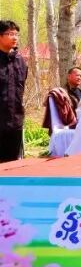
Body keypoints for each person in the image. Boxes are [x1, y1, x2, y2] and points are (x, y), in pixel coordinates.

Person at [0, 20, 28, 162]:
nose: (15, 37)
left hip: (15, 121)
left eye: (16, 34)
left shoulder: (20, 61)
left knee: (12, 163)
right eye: (10, 34)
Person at [42, 67, 81, 133]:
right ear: (69, 76)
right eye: (77, 75)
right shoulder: (62, 93)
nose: (79, 78)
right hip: (69, 126)